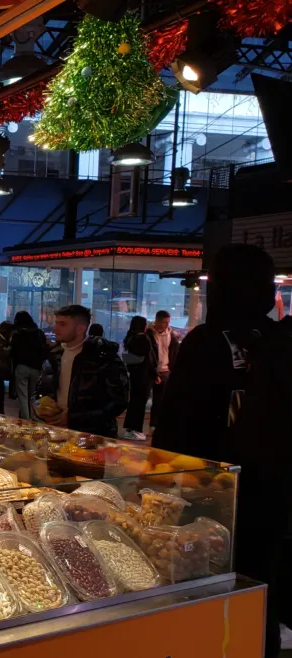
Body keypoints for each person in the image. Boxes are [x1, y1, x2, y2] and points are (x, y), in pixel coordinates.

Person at [152, 244, 292, 657]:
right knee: (261, 590)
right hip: (276, 492)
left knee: (209, 590)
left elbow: (177, 425)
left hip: (214, 494)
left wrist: (161, 484)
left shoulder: (207, 341)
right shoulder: (281, 339)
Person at [36, 304, 129, 438]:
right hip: (56, 432)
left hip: (92, 435)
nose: (55, 329)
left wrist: (74, 417)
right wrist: (39, 406)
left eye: (62, 324)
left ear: (80, 329)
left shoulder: (103, 357)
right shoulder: (54, 354)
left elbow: (118, 402)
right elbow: (40, 389)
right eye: (56, 323)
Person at [120, 315, 156, 440]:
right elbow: (149, 359)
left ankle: (129, 429)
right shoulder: (144, 339)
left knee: (134, 402)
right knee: (140, 403)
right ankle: (135, 429)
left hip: (134, 374)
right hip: (143, 375)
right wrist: (155, 374)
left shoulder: (130, 338)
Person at [9, 311, 49, 420]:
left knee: (22, 396)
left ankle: (26, 420)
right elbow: (44, 349)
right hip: (36, 368)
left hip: (21, 367)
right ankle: (33, 418)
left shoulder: (18, 334)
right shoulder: (39, 333)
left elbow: (12, 351)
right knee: (33, 396)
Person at [147, 309, 180, 430]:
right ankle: (137, 428)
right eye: (165, 322)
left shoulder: (171, 335)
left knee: (160, 400)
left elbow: (174, 352)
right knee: (144, 398)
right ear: (157, 321)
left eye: (168, 322)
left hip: (165, 370)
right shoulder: (149, 334)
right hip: (151, 371)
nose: (167, 325)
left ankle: (155, 424)